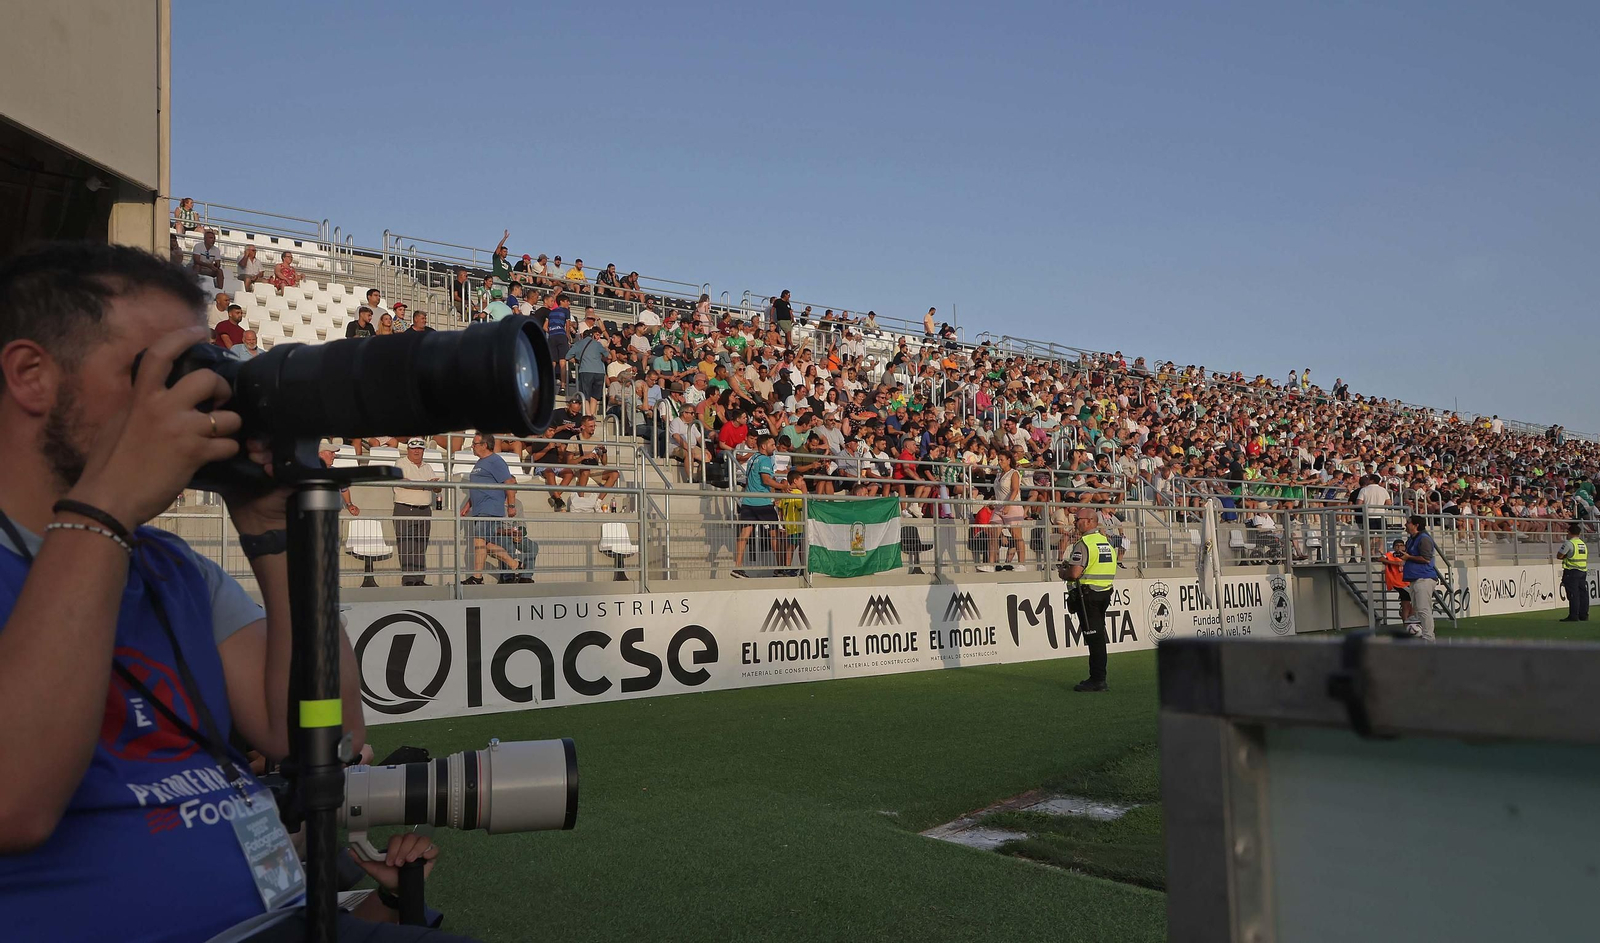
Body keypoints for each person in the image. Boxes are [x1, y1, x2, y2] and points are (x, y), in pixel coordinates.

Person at [0, 243, 464, 941]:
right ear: (32, 375)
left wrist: (273, 529)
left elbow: (324, 733)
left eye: (204, 372)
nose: (198, 401)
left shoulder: (170, 568)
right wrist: (109, 502)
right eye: (156, 372)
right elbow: (16, 803)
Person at [458, 434, 528, 585]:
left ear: (484, 445)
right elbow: (479, 487)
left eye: (475, 443)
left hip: (490, 508)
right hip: (479, 508)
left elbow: (509, 482)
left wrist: (511, 506)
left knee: (479, 542)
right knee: (486, 545)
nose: (472, 446)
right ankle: (515, 565)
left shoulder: (496, 461)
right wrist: (468, 505)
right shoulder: (480, 462)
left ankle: (477, 578)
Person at [1064, 505, 1118, 692]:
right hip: (1104, 594)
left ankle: (1098, 679)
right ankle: (1097, 677)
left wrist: (1064, 572)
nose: (1075, 522)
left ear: (1089, 522)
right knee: (1097, 637)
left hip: (1088, 597)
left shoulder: (1084, 544)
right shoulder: (1106, 542)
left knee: (1095, 639)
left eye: (1077, 519)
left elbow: (1075, 573)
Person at [392, 439, 441, 587]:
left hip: (425, 509)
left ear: (423, 451)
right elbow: (404, 482)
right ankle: (408, 580)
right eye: (414, 449)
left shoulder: (427, 466)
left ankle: (419, 579)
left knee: (420, 546)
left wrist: (436, 486)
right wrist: (427, 485)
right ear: (408, 449)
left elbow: (436, 489)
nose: (417, 451)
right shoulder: (401, 463)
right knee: (407, 546)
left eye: (420, 449)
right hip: (405, 508)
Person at [730, 434, 780, 578]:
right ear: (764, 446)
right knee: (774, 534)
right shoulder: (764, 459)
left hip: (748, 501)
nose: (774, 447)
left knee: (745, 533)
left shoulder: (753, 458)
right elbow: (766, 480)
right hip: (762, 502)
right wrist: (782, 486)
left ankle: (737, 567)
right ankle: (780, 568)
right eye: (772, 445)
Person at [1399, 514, 1441, 642]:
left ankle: (1429, 637)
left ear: (1416, 525)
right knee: (1418, 610)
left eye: (1408, 522)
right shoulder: (1412, 538)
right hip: (1415, 578)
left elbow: (1426, 559)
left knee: (1423, 609)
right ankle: (1421, 632)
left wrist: (1408, 558)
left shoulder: (1424, 539)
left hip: (1424, 578)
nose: (1406, 524)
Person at [1383, 538, 1418, 632]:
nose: (1399, 547)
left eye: (1401, 545)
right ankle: (1406, 624)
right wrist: (1396, 563)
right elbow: (1381, 558)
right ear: (1394, 547)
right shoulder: (1390, 554)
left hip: (1407, 582)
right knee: (1407, 604)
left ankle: (1408, 623)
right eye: (1397, 546)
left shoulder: (1406, 555)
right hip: (1398, 583)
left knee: (1412, 604)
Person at [1558, 521, 1589, 622]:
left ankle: (1573, 615)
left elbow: (1559, 556)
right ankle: (1583, 615)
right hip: (1583, 570)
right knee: (1583, 593)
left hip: (1572, 571)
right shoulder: (1582, 544)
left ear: (1569, 533)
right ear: (1579, 534)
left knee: (1573, 594)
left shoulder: (1569, 543)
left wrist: (1566, 556)